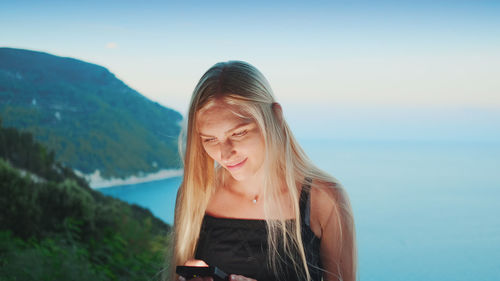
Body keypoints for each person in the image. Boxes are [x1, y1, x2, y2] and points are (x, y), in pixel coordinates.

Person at [170, 61, 356, 281]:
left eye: (238, 134)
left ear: (275, 118)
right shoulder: (195, 194)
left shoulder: (324, 199)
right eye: (210, 139)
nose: (225, 154)